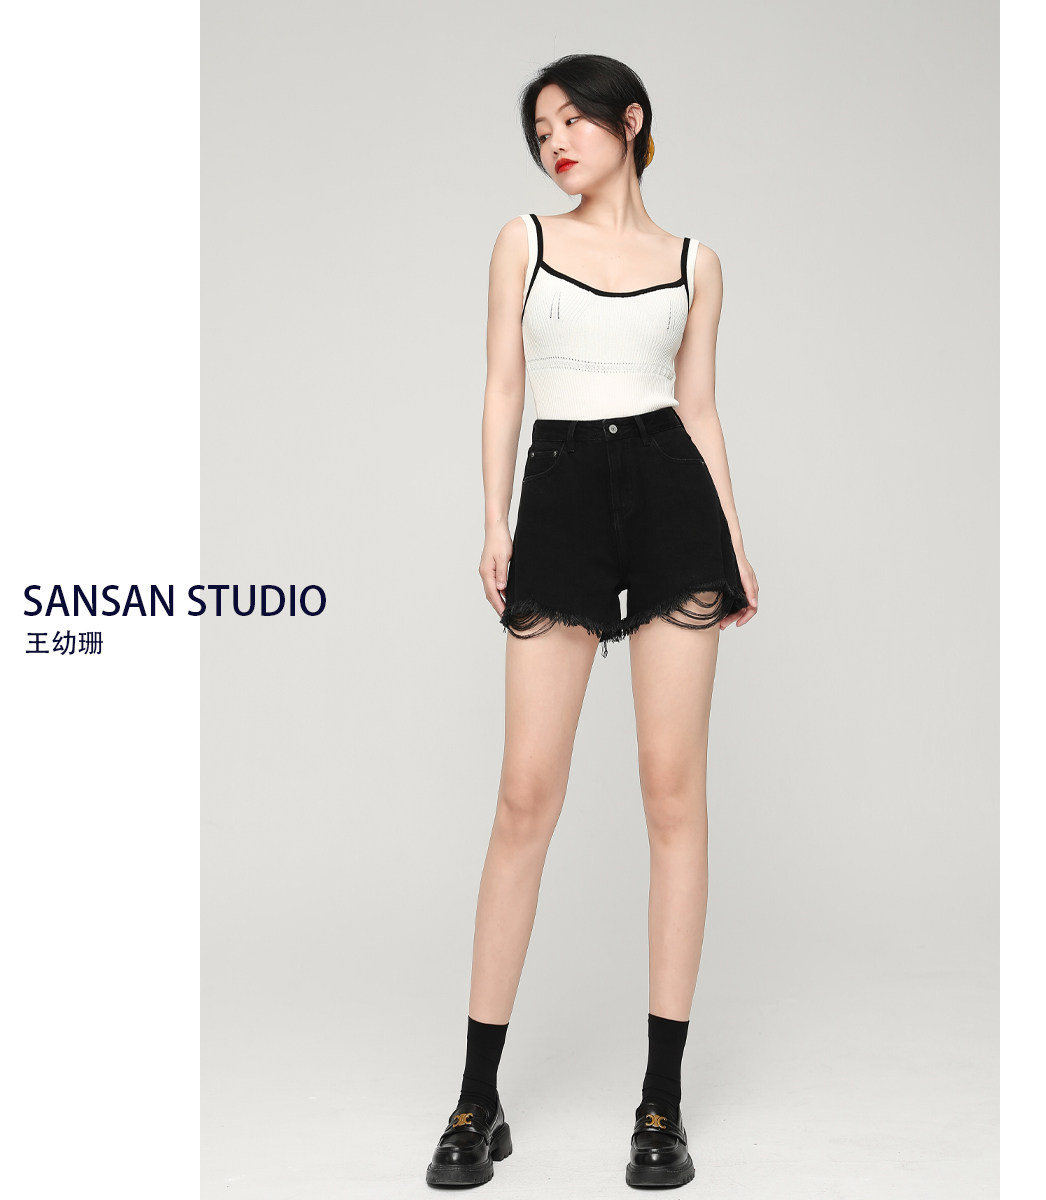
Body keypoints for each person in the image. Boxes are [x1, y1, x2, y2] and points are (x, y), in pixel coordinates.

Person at [426, 52, 759, 1190]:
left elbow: (699, 408)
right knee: (525, 794)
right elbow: (503, 387)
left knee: (673, 793)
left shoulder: (695, 263)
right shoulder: (521, 240)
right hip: (560, 496)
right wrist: (494, 521)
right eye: (539, 130)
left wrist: (734, 538)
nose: (555, 142)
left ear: (631, 121)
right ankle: (478, 1099)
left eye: (572, 119)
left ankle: (662, 1102)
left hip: (672, 501)